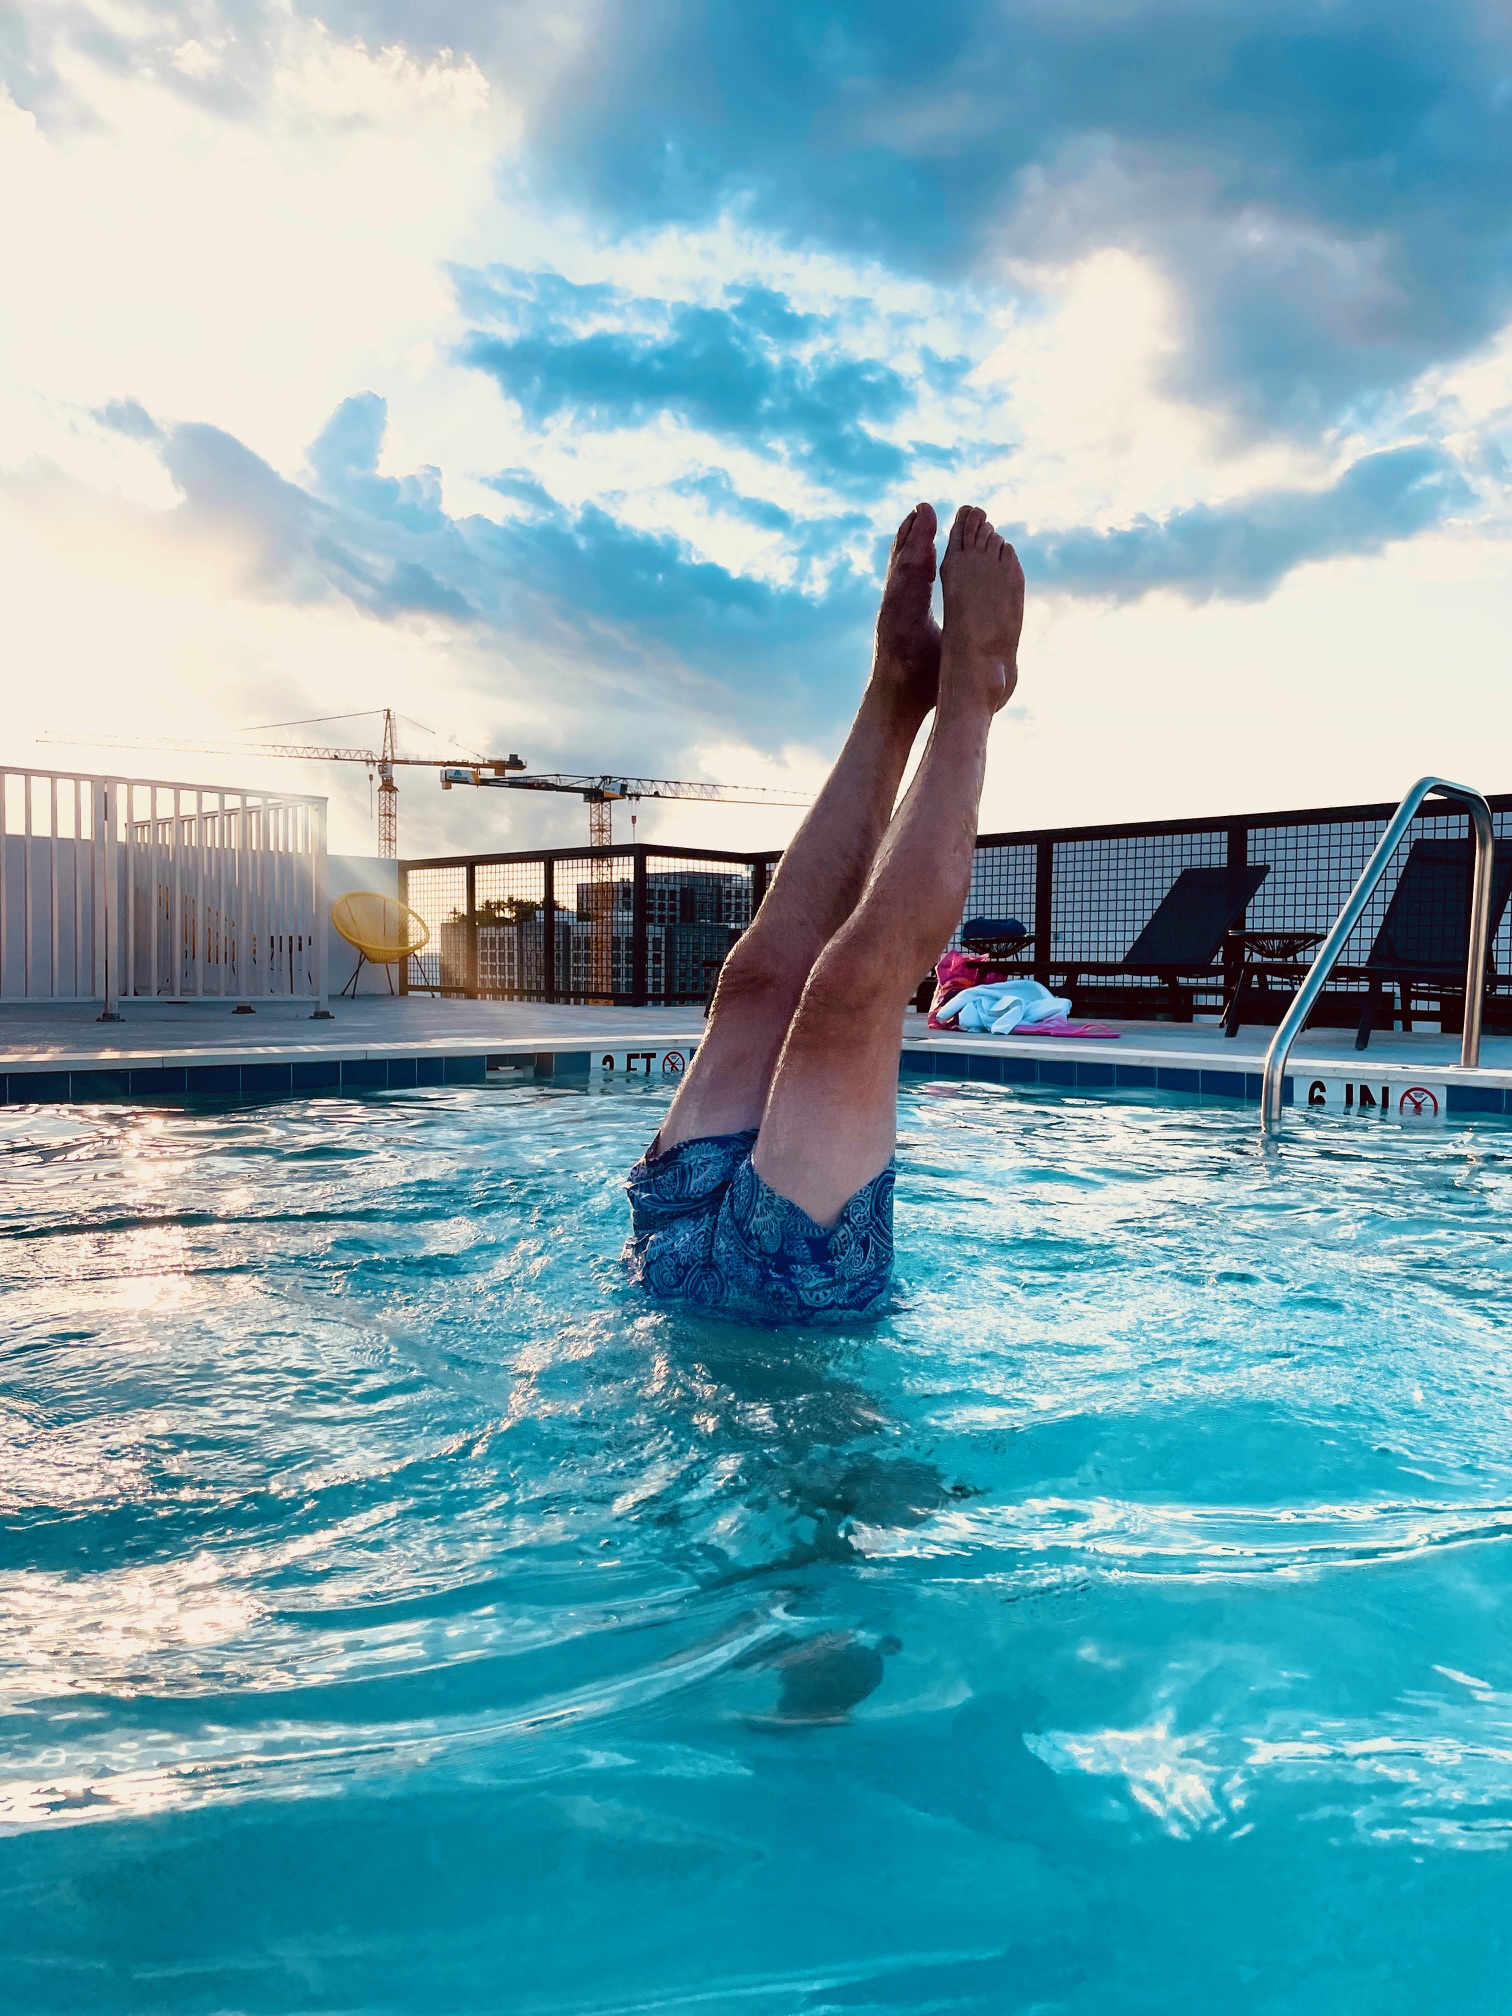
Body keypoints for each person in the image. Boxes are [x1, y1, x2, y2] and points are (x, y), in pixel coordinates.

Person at [624, 502, 1024, 1322]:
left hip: (663, 1244)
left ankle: (897, 688)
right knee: (850, 990)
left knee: (756, 979)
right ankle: (972, 692)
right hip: (792, 1306)